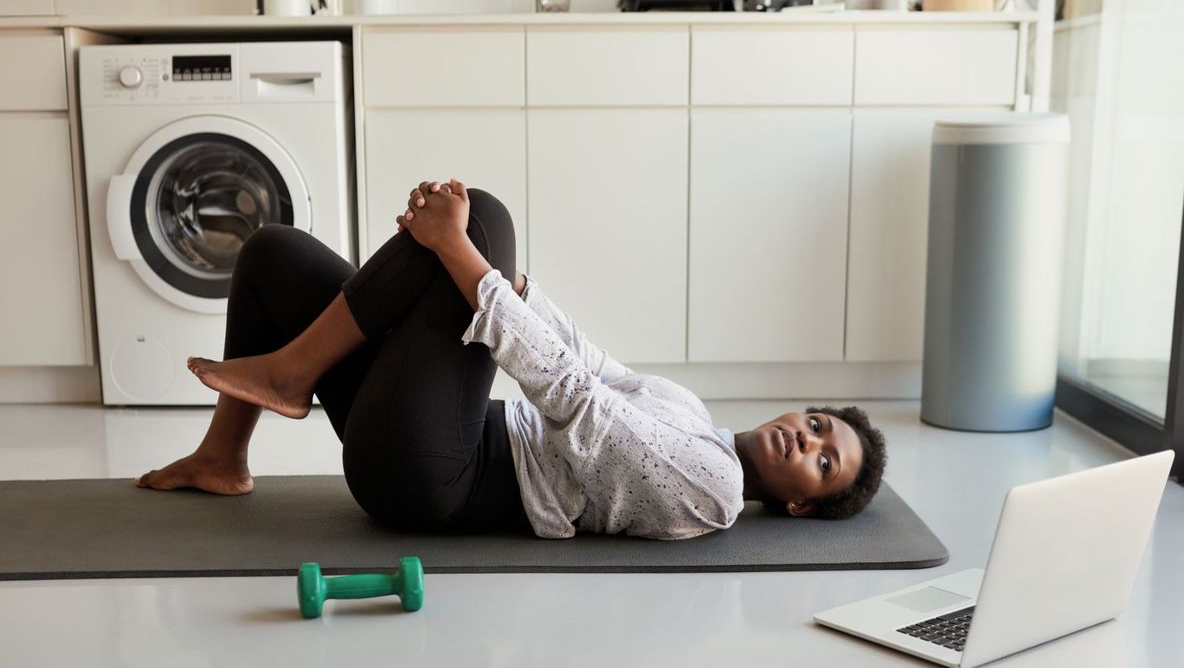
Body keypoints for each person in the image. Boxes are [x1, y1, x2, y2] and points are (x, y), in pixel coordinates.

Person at [136, 180, 888, 539]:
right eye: (820, 424)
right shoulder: (693, 414)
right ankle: (222, 455)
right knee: (273, 254)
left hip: (438, 478)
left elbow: (568, 398)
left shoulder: (717, 488)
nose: (809, 439)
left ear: (797, 505)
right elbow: (587, 360)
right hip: (433, 432)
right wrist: (510, 282)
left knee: (483, 221)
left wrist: (463, 249)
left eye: (824, 462)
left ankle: (293, 373)